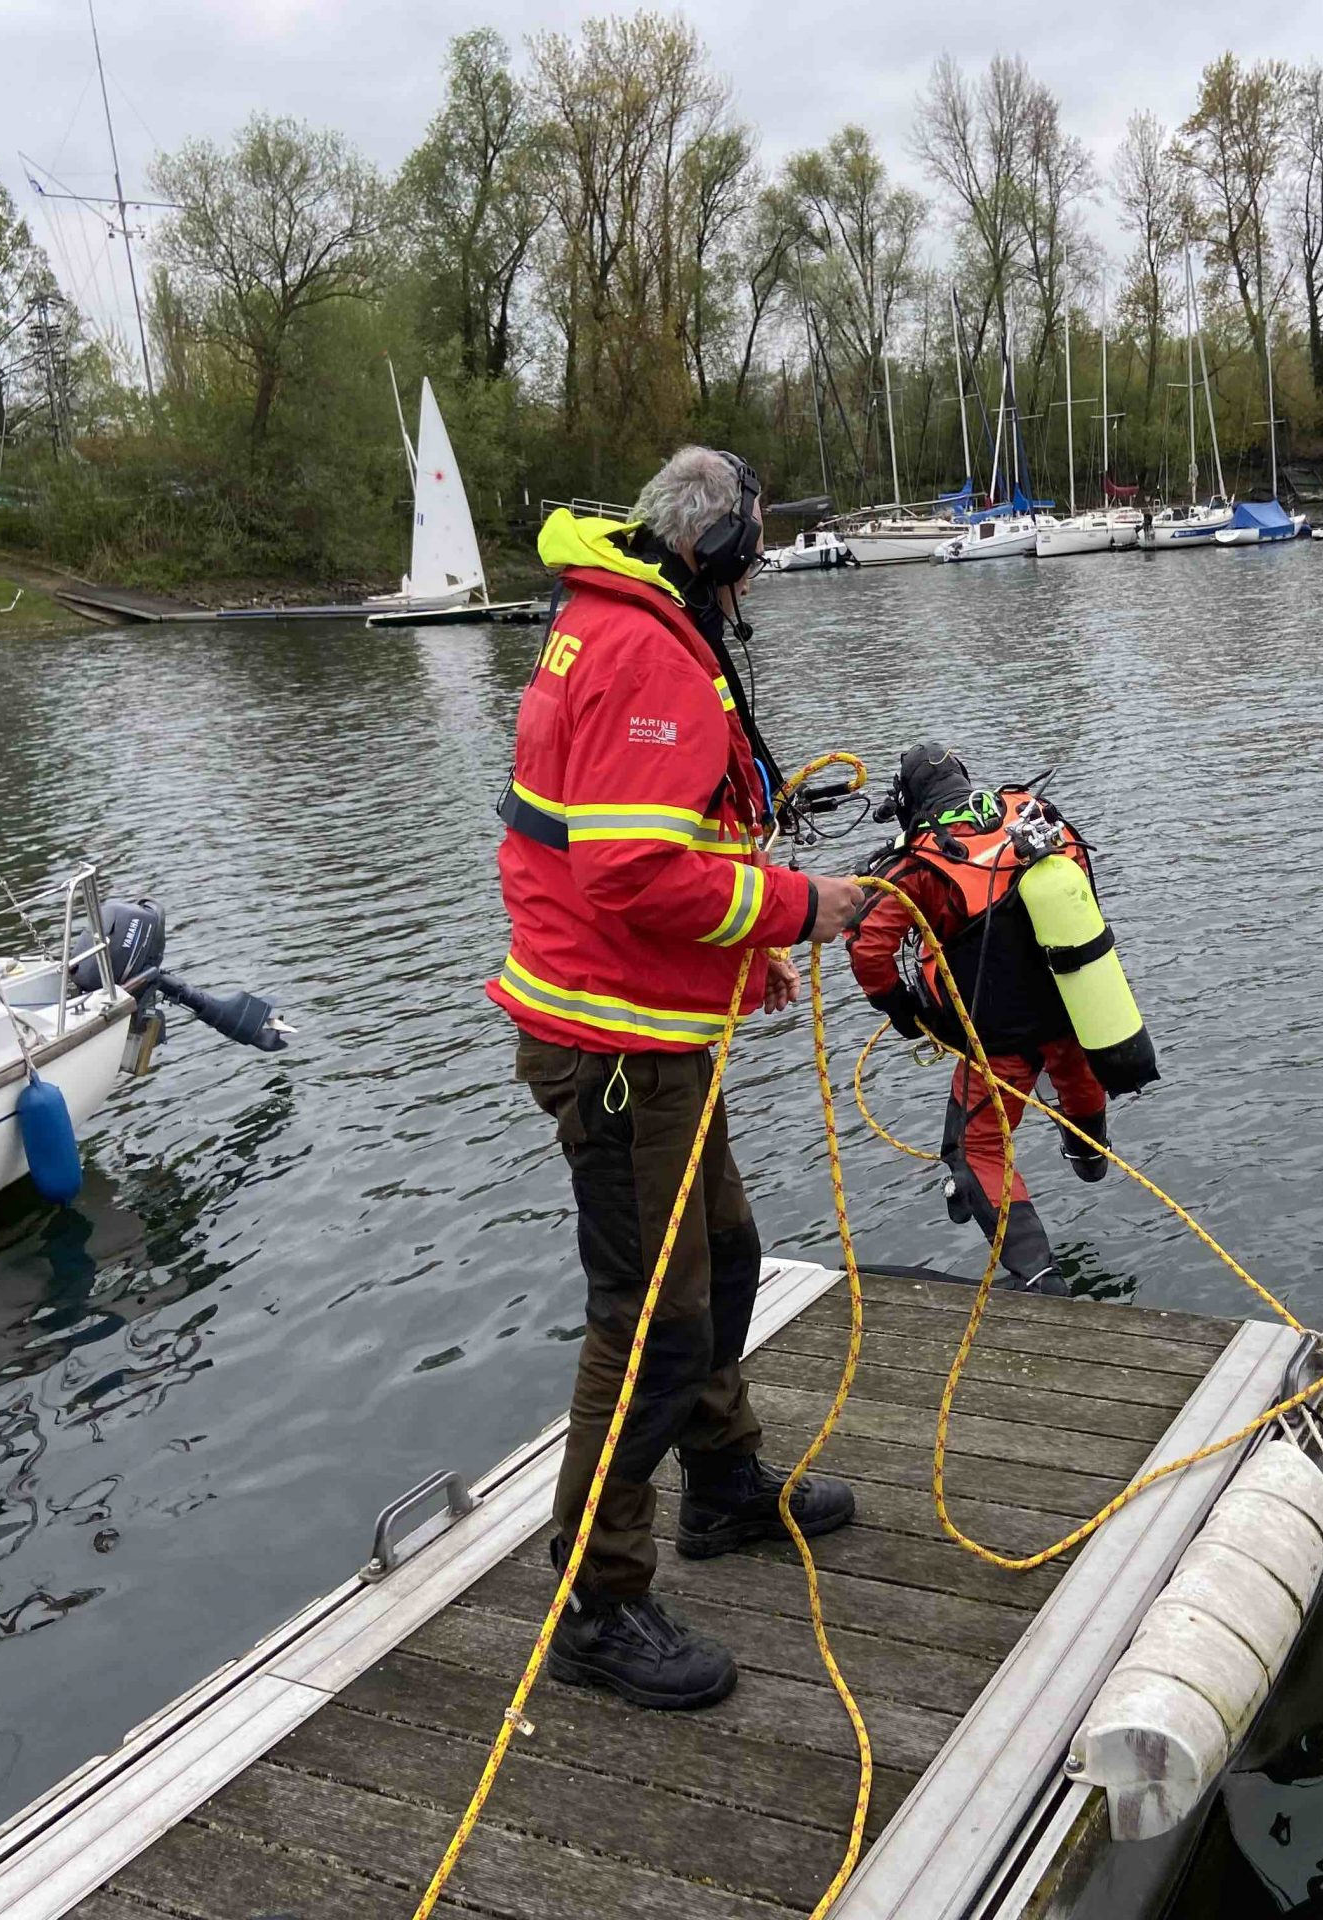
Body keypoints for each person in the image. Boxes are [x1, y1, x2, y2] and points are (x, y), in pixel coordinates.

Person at [490, 445, 866, 1711]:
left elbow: (637, 841)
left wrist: (746, 942)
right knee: (649, 1324)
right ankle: (597, 1605)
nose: (761, 575)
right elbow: (633, 873)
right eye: (756, 552)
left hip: (646, 1030)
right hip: (614, 1049)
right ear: (718, 551)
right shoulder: (648, 655)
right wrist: (797, 907)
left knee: (731, 1258)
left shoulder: (614, 618)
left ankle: (720, 1483)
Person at [849, 745, 1159, 1292]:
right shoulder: (1035, 815)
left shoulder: (917, 863)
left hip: (996, 1040)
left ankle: (1038, 1276)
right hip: (1077, 1013)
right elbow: (1081, 890)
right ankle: (1089, 1154)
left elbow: (868, 944)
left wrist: (901, 1009)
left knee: (975, 1150)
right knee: (1074, 1079)